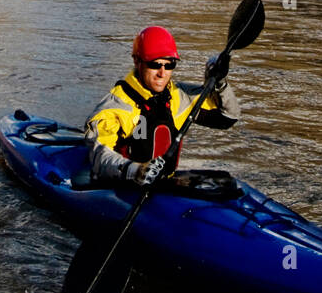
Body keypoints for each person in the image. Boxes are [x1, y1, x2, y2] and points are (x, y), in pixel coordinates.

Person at [85, 24, 239, 185]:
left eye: (169, 65)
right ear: (137, 61)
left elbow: (228, 117)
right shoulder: (116, 106)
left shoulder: (178, 97)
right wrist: (135, 171)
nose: (162, 73)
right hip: (124, 188)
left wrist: (219, 83)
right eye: (155, 64)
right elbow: (98, 156)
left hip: (165, 186)